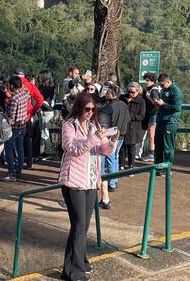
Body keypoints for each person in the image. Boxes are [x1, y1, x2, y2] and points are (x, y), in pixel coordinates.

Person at [58, 92, 119, 281]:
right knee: (78, 225)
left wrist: (111, 142)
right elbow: (72, 148)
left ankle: (72, 266)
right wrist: (93, 139)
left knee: (81, 228)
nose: (90, 113)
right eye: (87, 109)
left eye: (93, 110)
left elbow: (102, 150)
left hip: (91, 181)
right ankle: (76, 271)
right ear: (79, 107)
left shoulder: (94, 125)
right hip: (73, 182)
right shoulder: (69, 126)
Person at [97, 84, 129, 209]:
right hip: (121, 134)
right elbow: (127, 119)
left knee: (109, 158)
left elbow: (109, 121)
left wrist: (111, 133)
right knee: (114, 157)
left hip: (112, 134)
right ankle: (113, 182)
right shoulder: (124, 104)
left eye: (107, 92)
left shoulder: (109, 106)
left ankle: (111, 182)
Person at [154, 73, 183, 175]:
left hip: (170, 122)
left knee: (168, 146)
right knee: (158, 145)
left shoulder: (176, 92)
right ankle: (158, 167)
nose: (161, 87)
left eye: (162, 85)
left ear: (168, 81)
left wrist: (163, 104)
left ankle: (167, 168)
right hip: (161, 120)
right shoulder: (163, 90)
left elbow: (176, 108)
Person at [15, 69, 44, 169]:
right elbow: (40, 99)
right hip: (27, 115)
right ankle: (29, 161)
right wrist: (33, 110)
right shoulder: (30, 85)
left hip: (14, 115)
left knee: (14, 139)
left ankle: (17, 161)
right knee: (27, 139)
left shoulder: (12, 83)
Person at [5, 76, 30, 181]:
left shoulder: (14, 98)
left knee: (8, 149)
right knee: (20, 149)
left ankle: (11, 173)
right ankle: (18, 171)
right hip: (23, 125)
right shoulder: (25, 94)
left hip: (14, 127)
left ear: (11, 85)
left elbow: (11, 116)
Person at [122, 82, 146, 172]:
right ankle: (121, 165)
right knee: (122, 147)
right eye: (129, 92)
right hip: (124, 126)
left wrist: (130, 115)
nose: (131, 94)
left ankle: (131, 166)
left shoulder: (141, 101)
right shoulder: (123, 98)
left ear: (138, 91)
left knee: (132, 147)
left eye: (133, 92)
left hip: (134, 127)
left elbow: (142, 116)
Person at [37, 70, 56, 160]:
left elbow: (48, 101)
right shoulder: (51, 87)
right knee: (44, 131)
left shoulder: (48, 88)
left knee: (44, 132)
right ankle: (47, 151)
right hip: (46, 110)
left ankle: (48, 152)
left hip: (46, 111)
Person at [141, 72, 161, 162]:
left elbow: (156, 103)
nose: (146, 82)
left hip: (154, 114)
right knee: (151, 134)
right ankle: (152, 152)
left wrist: (148, 97)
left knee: (151, 134)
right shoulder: (151, 89)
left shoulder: (154, 90)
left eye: (148, 80)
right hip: (152, 114)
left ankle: (152, 153)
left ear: (152, 80)